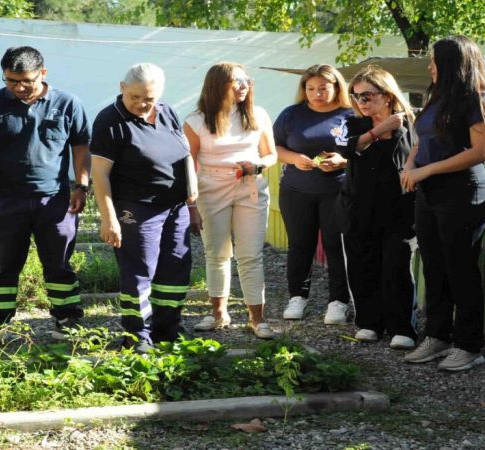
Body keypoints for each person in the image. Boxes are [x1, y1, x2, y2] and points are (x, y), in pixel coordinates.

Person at [0, 46, 91, 342]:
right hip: (5, 201)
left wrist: (81, 186)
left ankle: (67, 317)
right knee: (4, 265)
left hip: (55, 200)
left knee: (59, 263)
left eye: (27, 81)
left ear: (43, 73)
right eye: (11, 81)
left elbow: (81, 148)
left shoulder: (68, 103)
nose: (19, 87)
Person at [401, 36, 485, 371]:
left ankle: (469, 345)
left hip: (463, 193)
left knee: (461, 269)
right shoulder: (437, 99)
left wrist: (427, 170)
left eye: (435, 61)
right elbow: (424, 141)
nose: (430, 67)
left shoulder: (481, 101)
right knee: (434, 267)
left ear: (454, 65)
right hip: (429, 194)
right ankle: (438, 336)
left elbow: (481, 152)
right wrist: (410, 165)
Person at [90, 63, 193, 352]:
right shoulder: (109, 121)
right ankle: (138, 336)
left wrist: (192, 197)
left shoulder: (167, 112)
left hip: (175, 207)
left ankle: (167, 329)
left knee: (175, 269)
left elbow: (184, 153)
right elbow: (100, 174)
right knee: (139, 271)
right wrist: (109, 218)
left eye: (149, 98)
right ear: (122, 87)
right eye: (134, 96)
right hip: (136, 208)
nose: (141, 104)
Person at [184, 62, 278, 339]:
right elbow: (188, 162)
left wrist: (257, 165)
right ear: (217, 85)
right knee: (217, 253)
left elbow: (271, 154)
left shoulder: (258, 114)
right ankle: (218, 314)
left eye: (247, 80)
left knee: (251, 254)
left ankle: (257, 318)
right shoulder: (196, 120)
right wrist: (191, 202)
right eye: (237, 81)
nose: (244, 85)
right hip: (211, 188)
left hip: (250, 185)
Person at [330, 66, 418, 349]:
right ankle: (369, 323)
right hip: (359, 208)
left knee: (396, 266)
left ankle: (402, 327)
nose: (361, 102)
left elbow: (440, 144)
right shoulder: (352, 122)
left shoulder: (412, 122)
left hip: (399, 208)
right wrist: (379, 129)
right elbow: (346, 147)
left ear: (387, 95)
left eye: (367, 95)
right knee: (362, 266)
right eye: (356, 96)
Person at [273, 64, 353, 324]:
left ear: (336, 87)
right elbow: (274, 147)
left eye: (323, 88)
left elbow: (365, 152)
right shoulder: (291, 115)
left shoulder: (351, 115)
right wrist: (294, 158)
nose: (317, 94)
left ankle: (338, 302)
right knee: (299, 245)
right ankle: (297, 297)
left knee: (336, 245)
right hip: (296, 191)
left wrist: (342, 162)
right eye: (310, 89)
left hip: (337, 191)